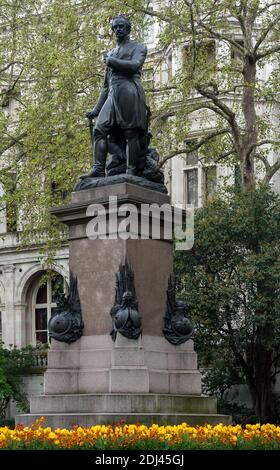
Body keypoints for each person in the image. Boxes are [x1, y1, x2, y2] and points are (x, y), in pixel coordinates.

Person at [82, 15, 149, 178]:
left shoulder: (138, 47)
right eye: (115, 27)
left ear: (128, 29)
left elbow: (134, 66)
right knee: (100, 129)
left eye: (121, 26)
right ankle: (98, 169)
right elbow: (106, 85)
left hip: (129, 90)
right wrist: (96, 110)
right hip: (113, 92)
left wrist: (110, 61)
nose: (118, 29)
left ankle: (131, 170)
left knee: (130, 132)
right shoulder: (112, 53)